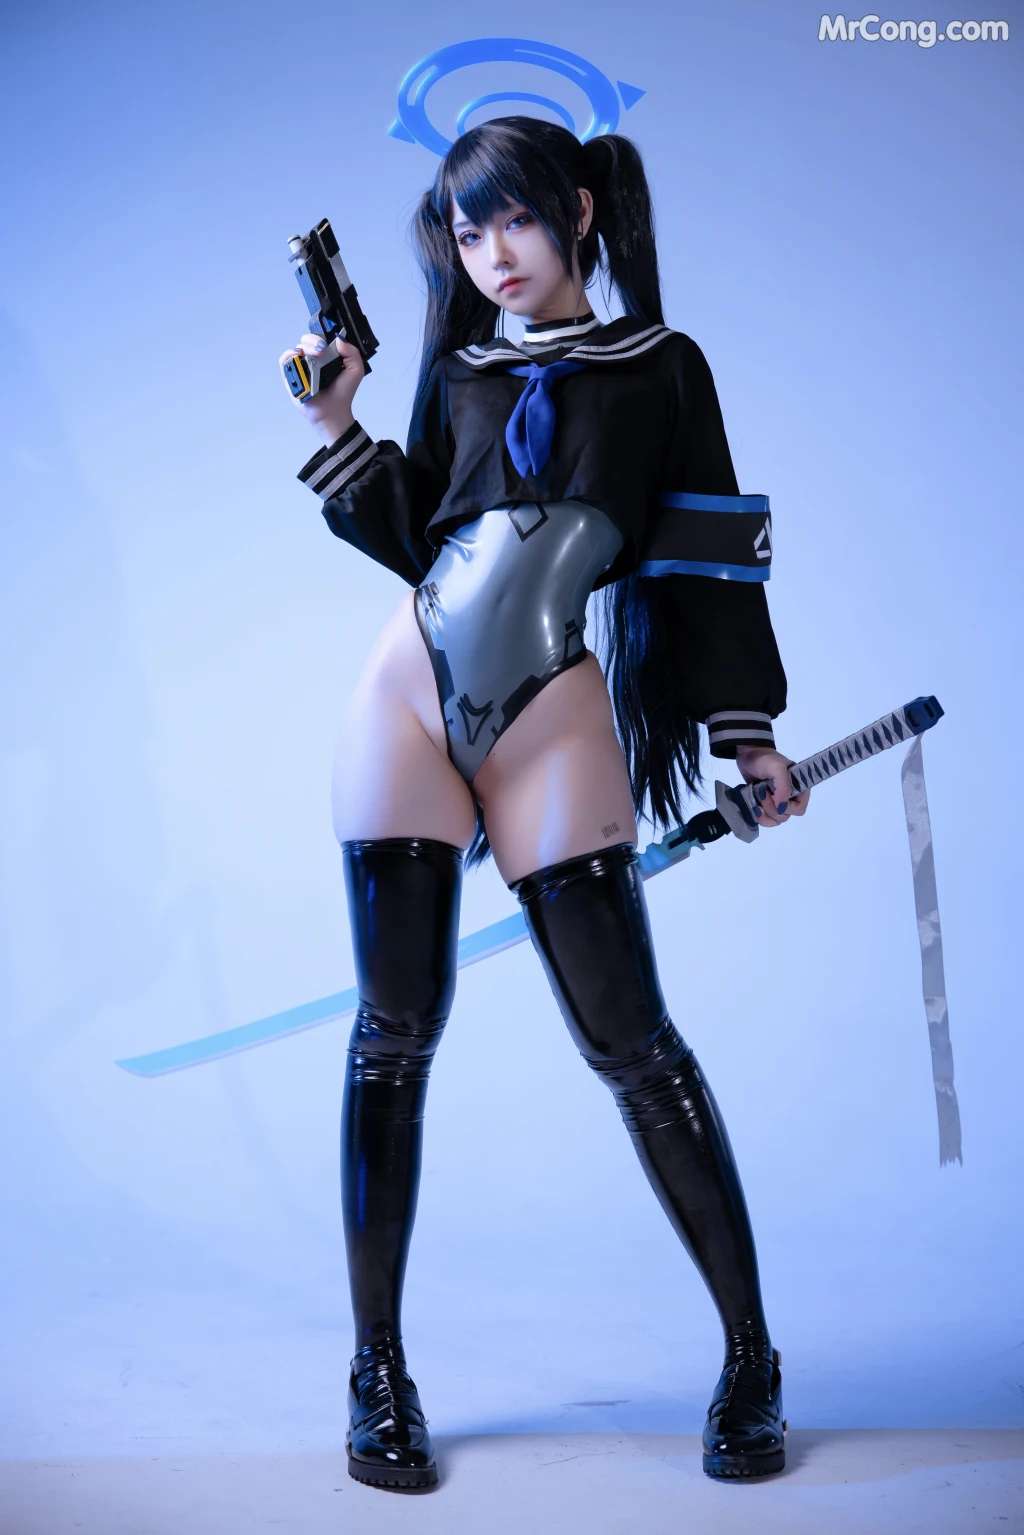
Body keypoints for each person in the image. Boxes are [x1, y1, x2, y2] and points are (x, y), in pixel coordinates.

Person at [279, 115, 810, 1492]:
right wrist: (336, 426)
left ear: (577, 211)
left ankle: (751, 1358)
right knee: (392, 1037)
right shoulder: (458, 370)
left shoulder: (663, 366)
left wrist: (747, 740)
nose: (493, 255)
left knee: (633, 1043)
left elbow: (708, 565)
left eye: (514, 219)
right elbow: (422, 539)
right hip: (405, 701)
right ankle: (376, 1372)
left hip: (550, 707)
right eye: (468, 233)